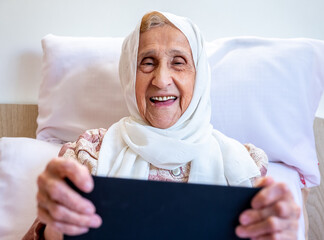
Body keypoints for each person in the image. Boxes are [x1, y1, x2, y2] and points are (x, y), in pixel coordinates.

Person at [23, 11, 300, 240]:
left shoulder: (244, 164)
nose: (161, 79)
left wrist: (286, 233)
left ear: (199, 76)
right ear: (129, 75)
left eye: (178, 62)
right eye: (147, 63)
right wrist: (57, 225)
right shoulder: (89, 152)